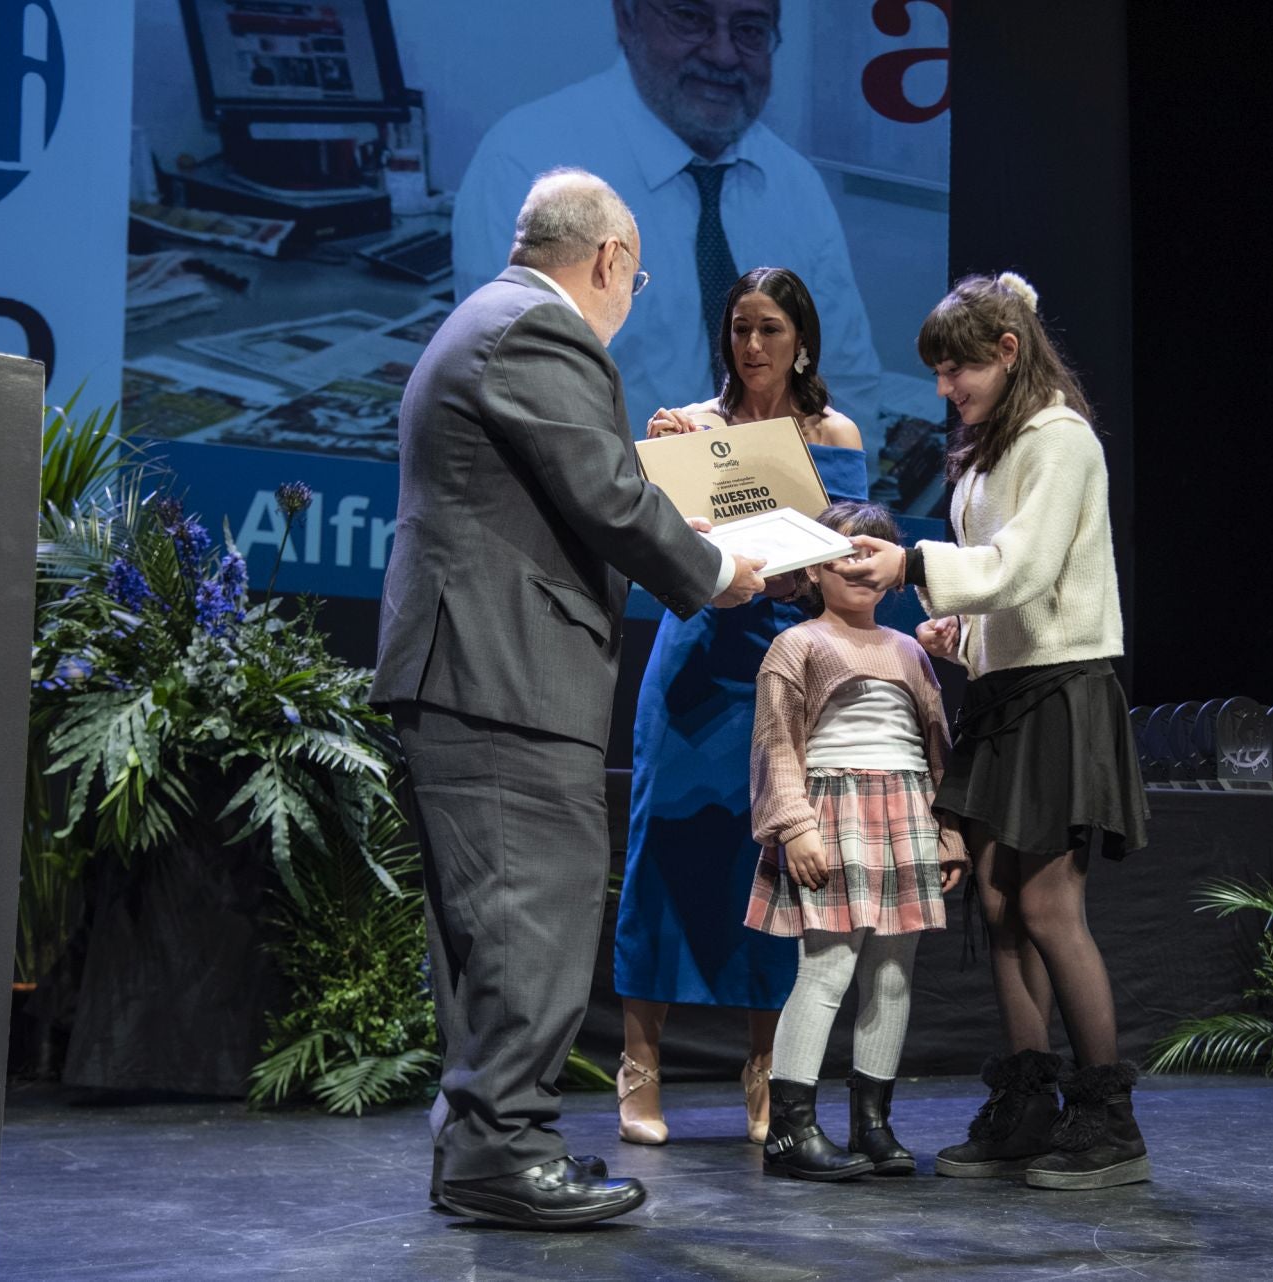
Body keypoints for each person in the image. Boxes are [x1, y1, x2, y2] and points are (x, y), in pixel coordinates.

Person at [371, 168, 767, 1230]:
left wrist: (652, 471)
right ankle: (504, 1145)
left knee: (492, 923)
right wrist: (717, 569)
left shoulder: (491, 324)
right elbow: (602, 496)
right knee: (525, 914)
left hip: (477, 670)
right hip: (501, 674)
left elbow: (567, 476)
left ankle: (485, 1145)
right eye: (632, 286)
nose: (627, 306)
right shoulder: (540, 333)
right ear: (608, 261)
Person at [837, 272, 1152, 1191]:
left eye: (955, 369)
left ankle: (1109, 1122)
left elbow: (1026, 566)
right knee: (998, 902)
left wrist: (913, 564)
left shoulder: (1061, 440)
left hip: (1062, 693)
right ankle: (1027, 1103)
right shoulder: (989, 448)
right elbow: (1002, 593)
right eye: (937, 372)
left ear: (1007, 352)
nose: (944, 387)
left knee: (1050, 906)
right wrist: (960, 635)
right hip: (1007, 690)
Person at [613, 266, 867, 1147]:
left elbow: (848, 547)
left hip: (781, 660)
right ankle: (639, 1069)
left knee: (772, 868)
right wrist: (660, 469)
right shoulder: (693, 427)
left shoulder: (834, 431)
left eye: (770, 331)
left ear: (802, 342)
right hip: (695, 657)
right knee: (662, 852)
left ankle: (767, 1072)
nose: (752, 347)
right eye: (740, 331)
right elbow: (652, 542)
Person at [450, 0, 885, 457]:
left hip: (777, 511)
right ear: (627, 17)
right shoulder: (522, 161)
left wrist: (829, 510)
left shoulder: (796, 184)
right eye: (690, 18)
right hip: (602, 511)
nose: (723, 54)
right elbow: (516, 389)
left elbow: (847, 378)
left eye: (750, 29)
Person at [745, 501, 967, 1181]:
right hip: (833, 816)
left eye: (876, 553)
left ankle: (872, 1122)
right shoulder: (798, 644)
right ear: (812, 567)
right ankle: (791, 1130)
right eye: (845, 551)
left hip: (904, 815)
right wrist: (796, 827)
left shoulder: (907, 652)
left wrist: (949, 831)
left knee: (893, 976)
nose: (860, 565)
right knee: (828, 969)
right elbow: (776, 746)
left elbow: (937, 746)